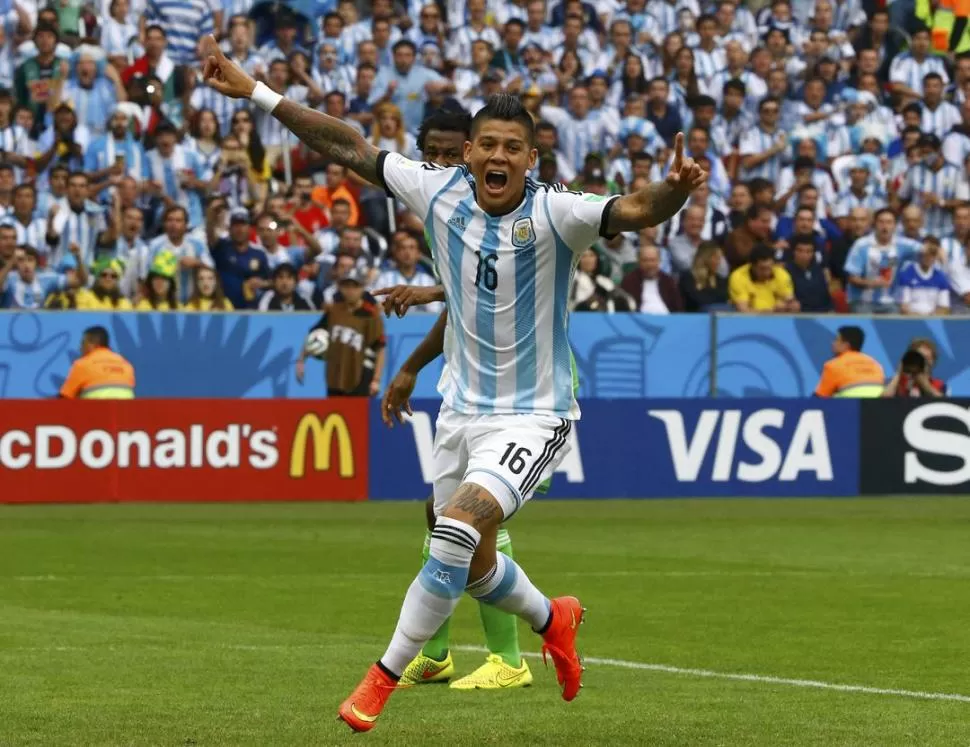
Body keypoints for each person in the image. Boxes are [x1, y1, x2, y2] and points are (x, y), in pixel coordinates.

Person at [200, 36, 705, 732]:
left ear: (533, 159)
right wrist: (257, 91)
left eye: (513, 148)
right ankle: (551, 616)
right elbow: (346, 146)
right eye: (487, 144)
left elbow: (636, 210)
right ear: (466, 152)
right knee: (470, 562)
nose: (498, 157)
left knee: (457, 530)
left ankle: (381, 678)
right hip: (459, 410)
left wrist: (673, 192)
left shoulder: (560, 212)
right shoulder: (437, 192)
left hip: (534, 414)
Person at [295, 268, 385, 394]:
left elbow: (380, 348)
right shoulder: (334, 311)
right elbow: (315, 334)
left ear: (362, 288)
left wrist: (376, 380)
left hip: (361, 376)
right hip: (334, 376)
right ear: (340, 288)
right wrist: (301, 360)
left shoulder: (370, 315)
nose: (350, 291)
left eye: (355, 286)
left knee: (357, 413)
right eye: (346, 286)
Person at [59, 325, 135, 399]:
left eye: (82, 343)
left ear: (91, 344)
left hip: (96, 411)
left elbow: (64, 398)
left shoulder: (83, 364)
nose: (80, 348)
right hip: (126, 411)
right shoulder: (126, 364)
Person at [814, 325, 885, 398]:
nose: (833, 343)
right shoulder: (876, 364)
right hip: (878, 407)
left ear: (846, 345)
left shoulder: (833, 365)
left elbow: (819, 398)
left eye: (836, 340)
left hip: (851, 407)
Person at [728, 243, 799, 313]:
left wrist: (790, 306)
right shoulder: (738, 277)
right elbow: (743, 310)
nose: (767, 273)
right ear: (752, 265)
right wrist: (771, 312)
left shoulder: (781, 274)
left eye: (770, 267)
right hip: (749, 322)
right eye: (762, 269)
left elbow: (790, 301)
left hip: (777, 320)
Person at [882, 338, 948, 397]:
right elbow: (883, 402)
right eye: (920, 357)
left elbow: (945, 405)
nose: (923, 361)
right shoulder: (896, 383)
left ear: (933, 362)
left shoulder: (939, 385)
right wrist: (898, 373)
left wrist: (924, 383)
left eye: (927, 358)